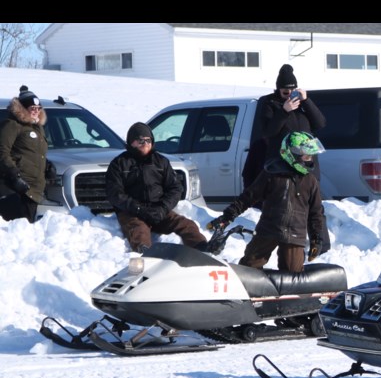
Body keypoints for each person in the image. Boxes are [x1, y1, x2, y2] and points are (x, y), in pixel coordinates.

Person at [209, 131, 330, 273]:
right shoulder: (272, 174)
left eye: (311, 157)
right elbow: (248, 197)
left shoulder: (310, 181)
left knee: (293, 273)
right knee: (249, 266)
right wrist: (227, 217)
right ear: (293, 154)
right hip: (268, 230)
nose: (310, 160)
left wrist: (317, 238)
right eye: (306, 156)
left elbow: (316, 212)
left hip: (295, 235)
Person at [105, 123, 208, 252]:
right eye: (140, 140)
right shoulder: (119, 163)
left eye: (148, 140)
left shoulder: (161, 161)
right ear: (131, 142)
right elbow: (115, 193)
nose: (145, 144)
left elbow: (175, 188)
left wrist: (163, 208)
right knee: (139, 231)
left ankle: (203, 249)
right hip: (132, 212)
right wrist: (139, 209)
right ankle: (144, 254)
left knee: (186, 225)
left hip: (158, 210)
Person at [241, 64, 326, 190]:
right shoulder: (270, 103)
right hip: (283, 164)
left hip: (306, 163)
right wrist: (284, 111)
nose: (290, 95)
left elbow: (320, 124)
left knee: (309, 200)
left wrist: (306, 101)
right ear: (278, 89)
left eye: (293, 91)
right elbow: (268, 131)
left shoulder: (302, 104)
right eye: (286, 92)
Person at [0, 86, 49, 223]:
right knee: (17, 231)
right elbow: (2, 152)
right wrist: (13, 175)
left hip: (34, 190)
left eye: (38, 108)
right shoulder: (12, 125)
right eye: (32, 108)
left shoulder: (38, 128)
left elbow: (34, 153)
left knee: (28, 232)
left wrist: (48, 166)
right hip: (15, 189)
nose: (36, 111)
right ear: (23, 109)